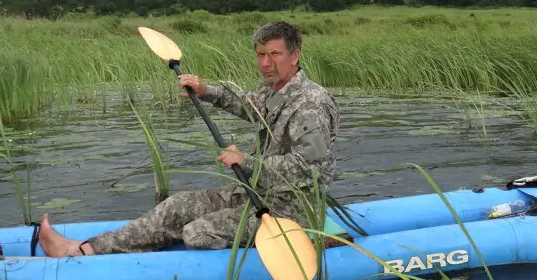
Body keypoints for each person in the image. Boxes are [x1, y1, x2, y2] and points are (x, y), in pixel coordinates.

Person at [36, 20, 340, 257]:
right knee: (176, 205)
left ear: (294, 55)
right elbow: (249, 107)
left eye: (274, 54)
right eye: (261, 55)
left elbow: (308, 169)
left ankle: (309, 243)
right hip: (255, 192)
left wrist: (248, 162)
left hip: (293, 209)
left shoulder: (312, 102)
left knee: (197, 233)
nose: (265, 63)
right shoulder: (272, 88)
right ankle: (83, 250)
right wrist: (205, 91)